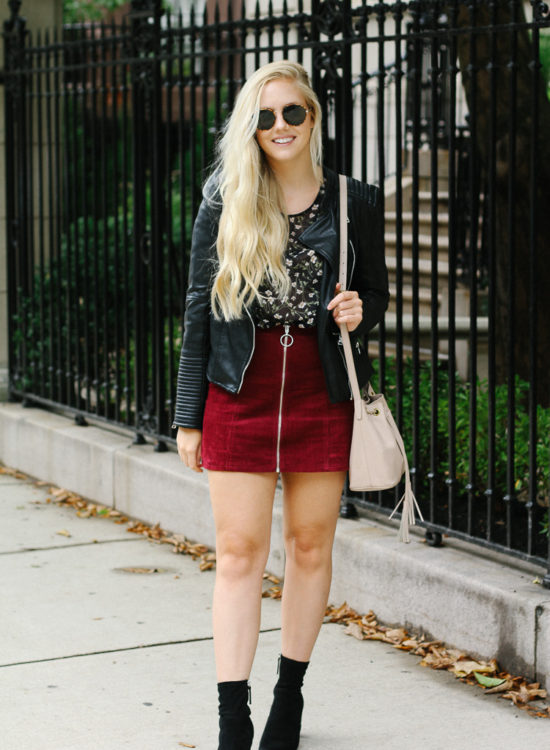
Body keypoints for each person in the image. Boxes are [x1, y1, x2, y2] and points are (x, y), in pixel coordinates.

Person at [172, 60, 389, 750]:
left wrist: (360, 313)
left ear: (313, 118)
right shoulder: (225, 198)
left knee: (308, 546)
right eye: (264, 117)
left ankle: (287, 701)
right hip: (241, 387)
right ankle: (231, 716)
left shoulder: (355, 201)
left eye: (291, 113)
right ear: (251, 126)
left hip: (319, 391)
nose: (279, 127)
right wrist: (186, 413)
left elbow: (376, 297)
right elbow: (197, 312)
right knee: (238, 553)